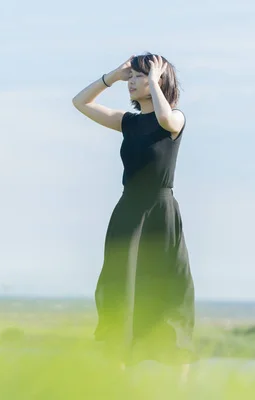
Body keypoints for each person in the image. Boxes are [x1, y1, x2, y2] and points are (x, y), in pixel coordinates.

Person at [72, 53, 197, 382]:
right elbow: (79, 102)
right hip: (128, 212)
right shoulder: (127, 122)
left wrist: (155, 82)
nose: (133, 81)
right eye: (133, 76)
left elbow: (166, 117)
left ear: (160, 80)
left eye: (140, 76)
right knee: (120, 290)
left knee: (172, 291)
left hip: (162, 214)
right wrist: (112, 75)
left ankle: (178, 388)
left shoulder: (175, 120)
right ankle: (117, 383)